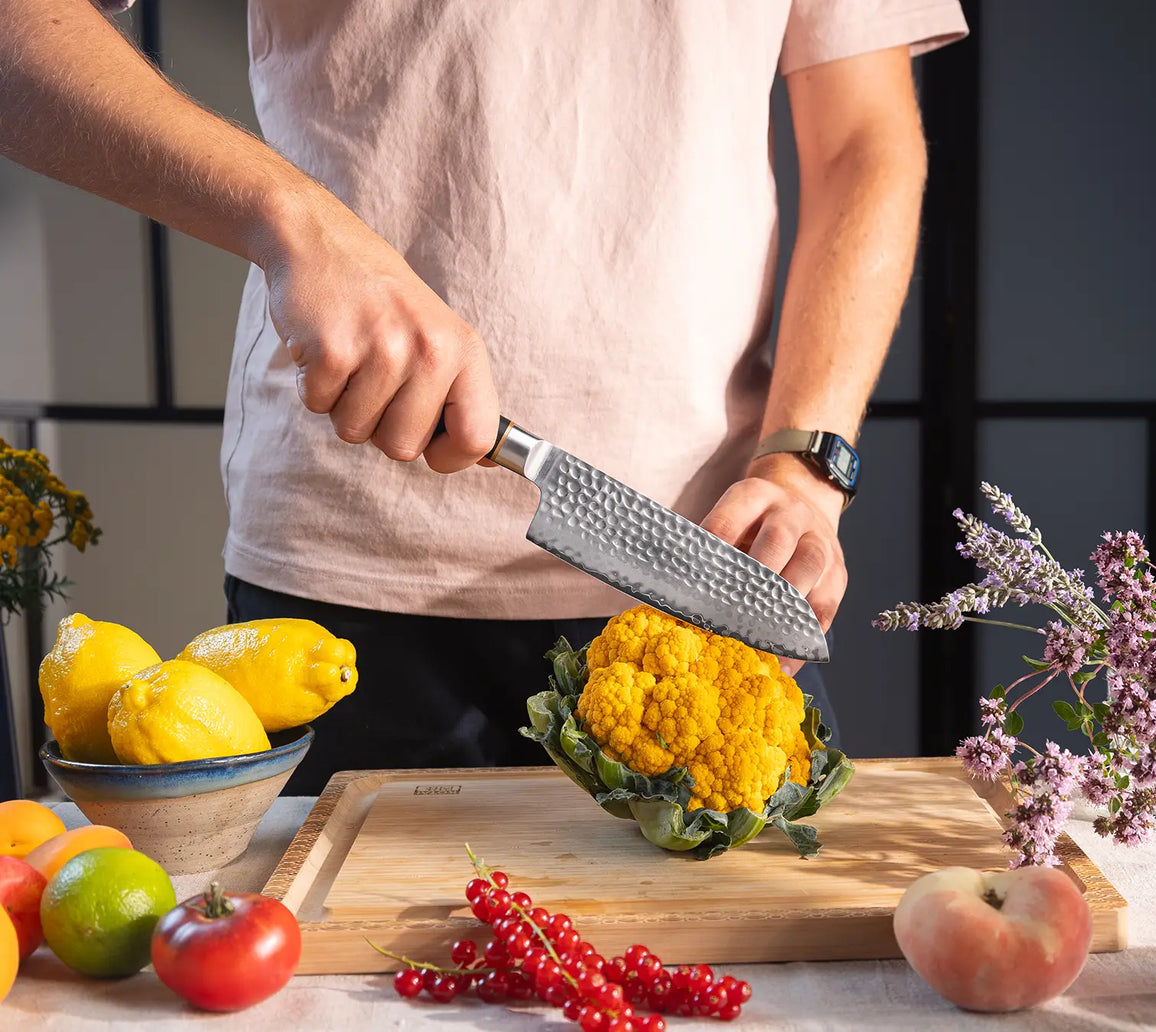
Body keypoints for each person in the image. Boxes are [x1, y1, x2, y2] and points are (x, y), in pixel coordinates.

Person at [0, 1, 966, 794]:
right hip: (348, 580)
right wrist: (292, 221)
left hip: (705, 579)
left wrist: (807, 458)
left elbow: (863, 143)